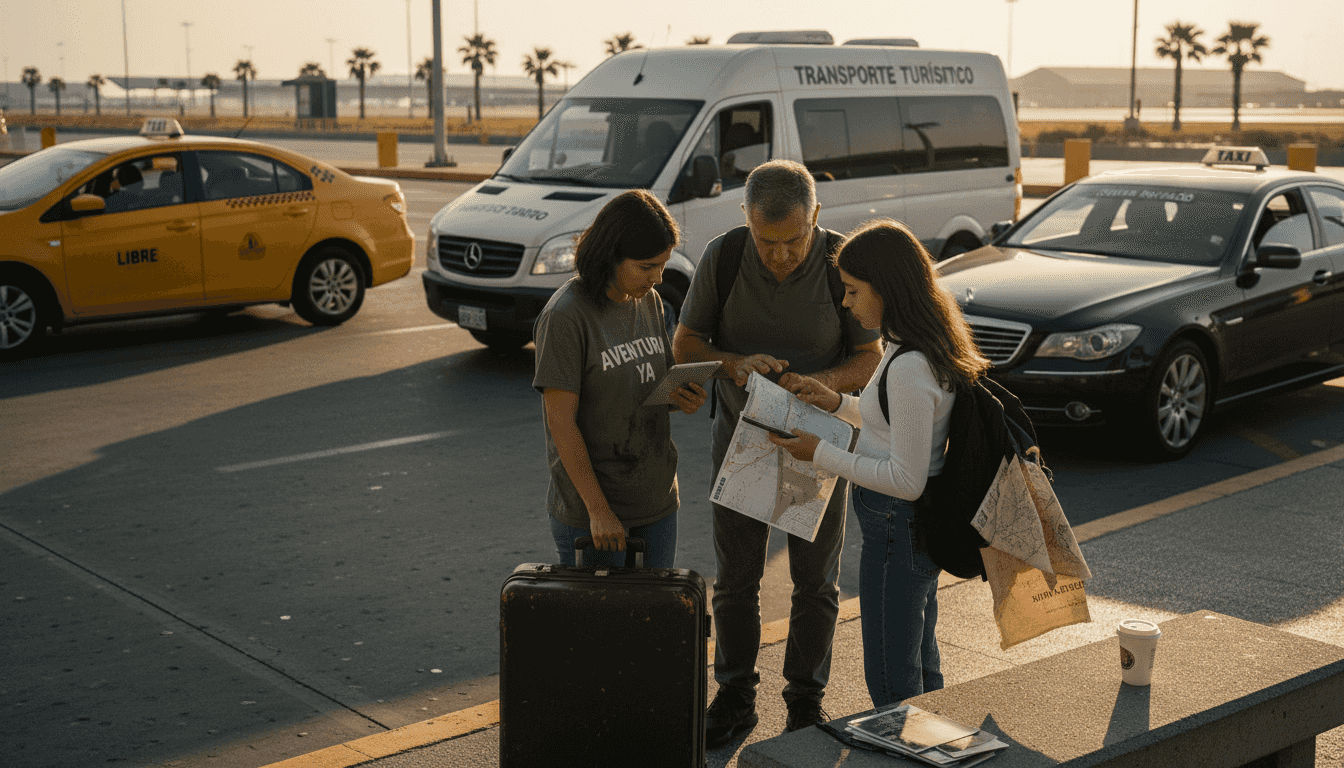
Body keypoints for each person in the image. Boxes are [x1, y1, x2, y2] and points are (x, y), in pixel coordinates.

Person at [672, 160, 883, 744]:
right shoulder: (724, 255)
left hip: (817, 448)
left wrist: (827, 384)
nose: (782, 255)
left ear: (816, 216)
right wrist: (734, 365)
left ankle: (804, 703)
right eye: (769, 242)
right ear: (746, 219)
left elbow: (870, 356)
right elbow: (685, 343)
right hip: (742, 445)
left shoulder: (844, 262)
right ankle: (735, 695)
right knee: (736, 579)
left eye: (795, 240)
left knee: (815, 582)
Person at [767, 219, 991, 707]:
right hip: (904, 531)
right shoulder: (910, 349)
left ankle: (908, 751)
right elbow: (889, 426)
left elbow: (906, 480)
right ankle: (930, 745)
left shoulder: (909, 365)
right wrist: (835, 403)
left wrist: (821, 453)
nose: (845, 303)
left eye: (852, 290)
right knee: (919, 663)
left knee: (892, 681)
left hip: (897, 528)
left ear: (887, 289)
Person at [533, 190, 707, 569]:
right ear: (610, 256)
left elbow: (650, 384)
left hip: (656, 502)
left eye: (662, 265)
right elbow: (561, 424)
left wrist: (679, 396)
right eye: (647, 267)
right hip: (595, 515)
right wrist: (598, 511)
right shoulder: (566, 317)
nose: (658, 278)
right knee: (603, 627)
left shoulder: (650, 301)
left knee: (656, 621)